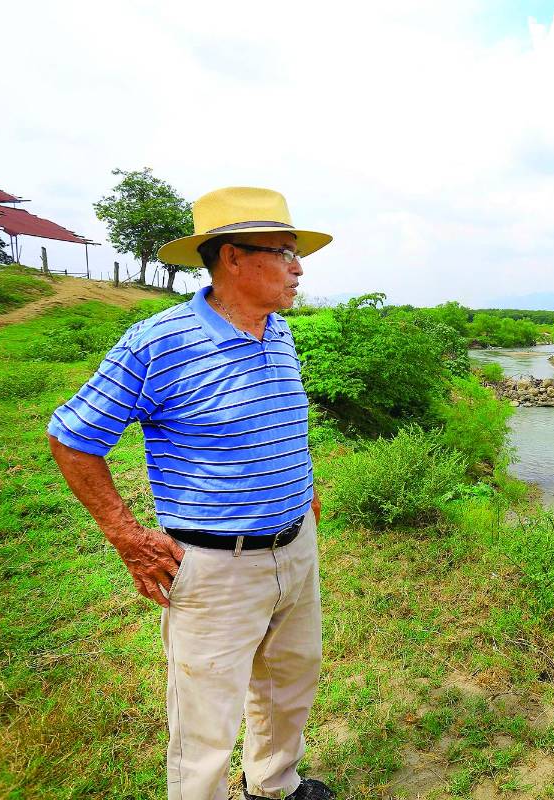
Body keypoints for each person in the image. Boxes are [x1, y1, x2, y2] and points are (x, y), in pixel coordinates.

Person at [47, 187, 335, 800]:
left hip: (295, 548)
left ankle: (274, 785)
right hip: (213, 567)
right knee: (206, 720)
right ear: (233, 258)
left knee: (290, 681)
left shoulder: (277, 331)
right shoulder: (158, 343)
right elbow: (73, 438)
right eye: (284, 252)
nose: (299, 267)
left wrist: (302, 488)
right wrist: (126, 537)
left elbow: (279, 417)